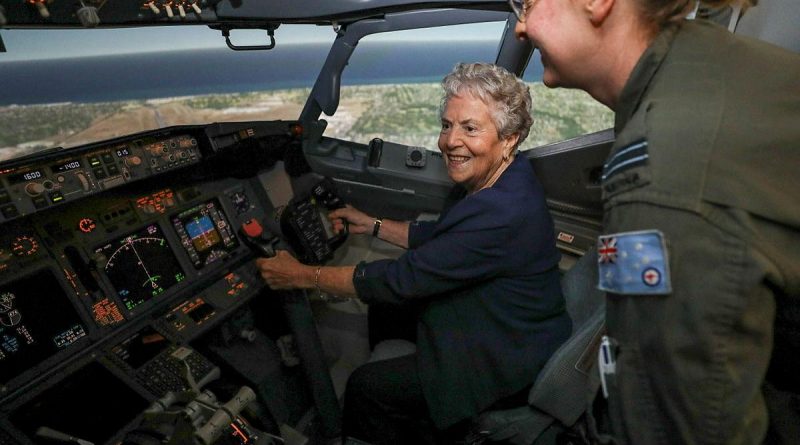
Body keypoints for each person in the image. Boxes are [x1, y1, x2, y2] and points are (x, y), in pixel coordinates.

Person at [511, 0, 800, 443]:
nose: (520, 27)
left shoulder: (662, 173)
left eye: (527, 3)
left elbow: (680, 427)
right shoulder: (710, 61)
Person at [256, 62, 571, 444]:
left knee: (366, 387)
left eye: (470, 128)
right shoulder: (499, 179)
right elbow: (442, 235)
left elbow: (401, 279)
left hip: (503, 360)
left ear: (509, 139)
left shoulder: (502, 210)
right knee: (386, 309)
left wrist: (302, 275)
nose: (450, 141)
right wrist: (372, 224)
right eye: (446, 125)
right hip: (503, 323)